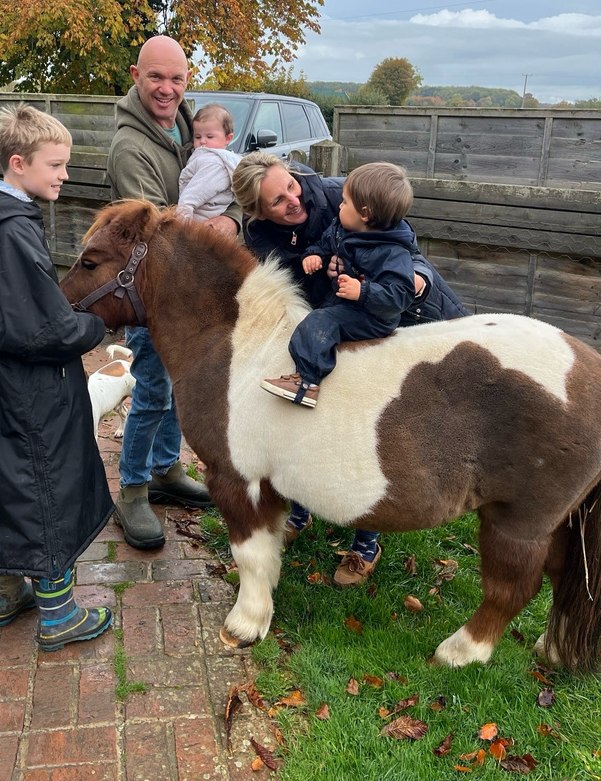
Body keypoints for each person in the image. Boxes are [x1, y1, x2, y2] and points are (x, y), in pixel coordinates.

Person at [231, 152, 467, 585]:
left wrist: (413, 279)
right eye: (277, 201)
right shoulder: (261, 240)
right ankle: (300, 509)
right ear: (257, 213)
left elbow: (402, 243)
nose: (293, 200)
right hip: (327, 326)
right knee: (304, 422)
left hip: (391, 319)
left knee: (367, 429)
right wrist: (323, 271)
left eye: (291, 186)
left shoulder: (346, 193)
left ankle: (366, 539)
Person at [0, 104, 114, 651]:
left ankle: (7, 595)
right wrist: (95, 326)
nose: (64, 175)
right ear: (19, 163)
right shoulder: (12, 230)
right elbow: (38, 329)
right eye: (55, 165)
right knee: (44, 486)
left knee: (1, 483)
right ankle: (59, 616)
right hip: (23, 394)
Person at [107, 36, 242, 550]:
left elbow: (229, 190)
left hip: (187, 290)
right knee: (150, 391)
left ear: (187, 80)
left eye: (176, 78)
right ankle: (132, 491)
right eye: (156, 77)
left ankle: (165, 469)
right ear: (136, 76)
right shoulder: (131, 148)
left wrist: (231, 221)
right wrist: (214, 232)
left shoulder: (191, 127)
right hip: (151, 294)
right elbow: (155, 232)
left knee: (173, 387)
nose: (167, 88)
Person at [261, 162, 417, 409]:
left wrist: (362, 291)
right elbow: (325, 244)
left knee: (318, 322)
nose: (340, 205)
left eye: (345, 202)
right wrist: (314, 256)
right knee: (313, 318)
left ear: (364, 214)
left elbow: (400, 295)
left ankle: (306, 383)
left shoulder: (392, 251)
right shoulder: (342, 228)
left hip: (372, 316)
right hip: (344, 302)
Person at [176, 103, 243, 222]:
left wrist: (182, 214)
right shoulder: (211, 158)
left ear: (228, 138)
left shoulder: (215, 164)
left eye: (209, 137)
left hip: (199, 218)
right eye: (197, 137)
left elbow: (196, 193)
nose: (202, 141)